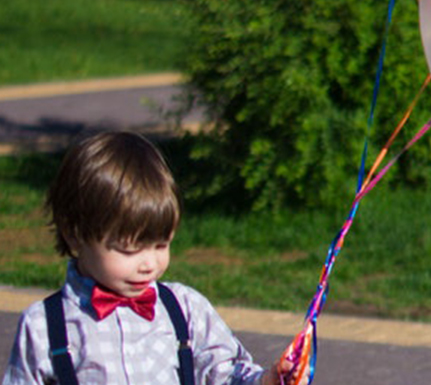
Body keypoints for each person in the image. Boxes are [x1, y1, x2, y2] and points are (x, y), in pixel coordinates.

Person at [2, 131, 307, 385]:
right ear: (74, 234)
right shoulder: (44, 327)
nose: (148, 263)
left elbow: (227, 375)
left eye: (161, 245)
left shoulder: (185, 311)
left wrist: (269, 380)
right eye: (129, 249)